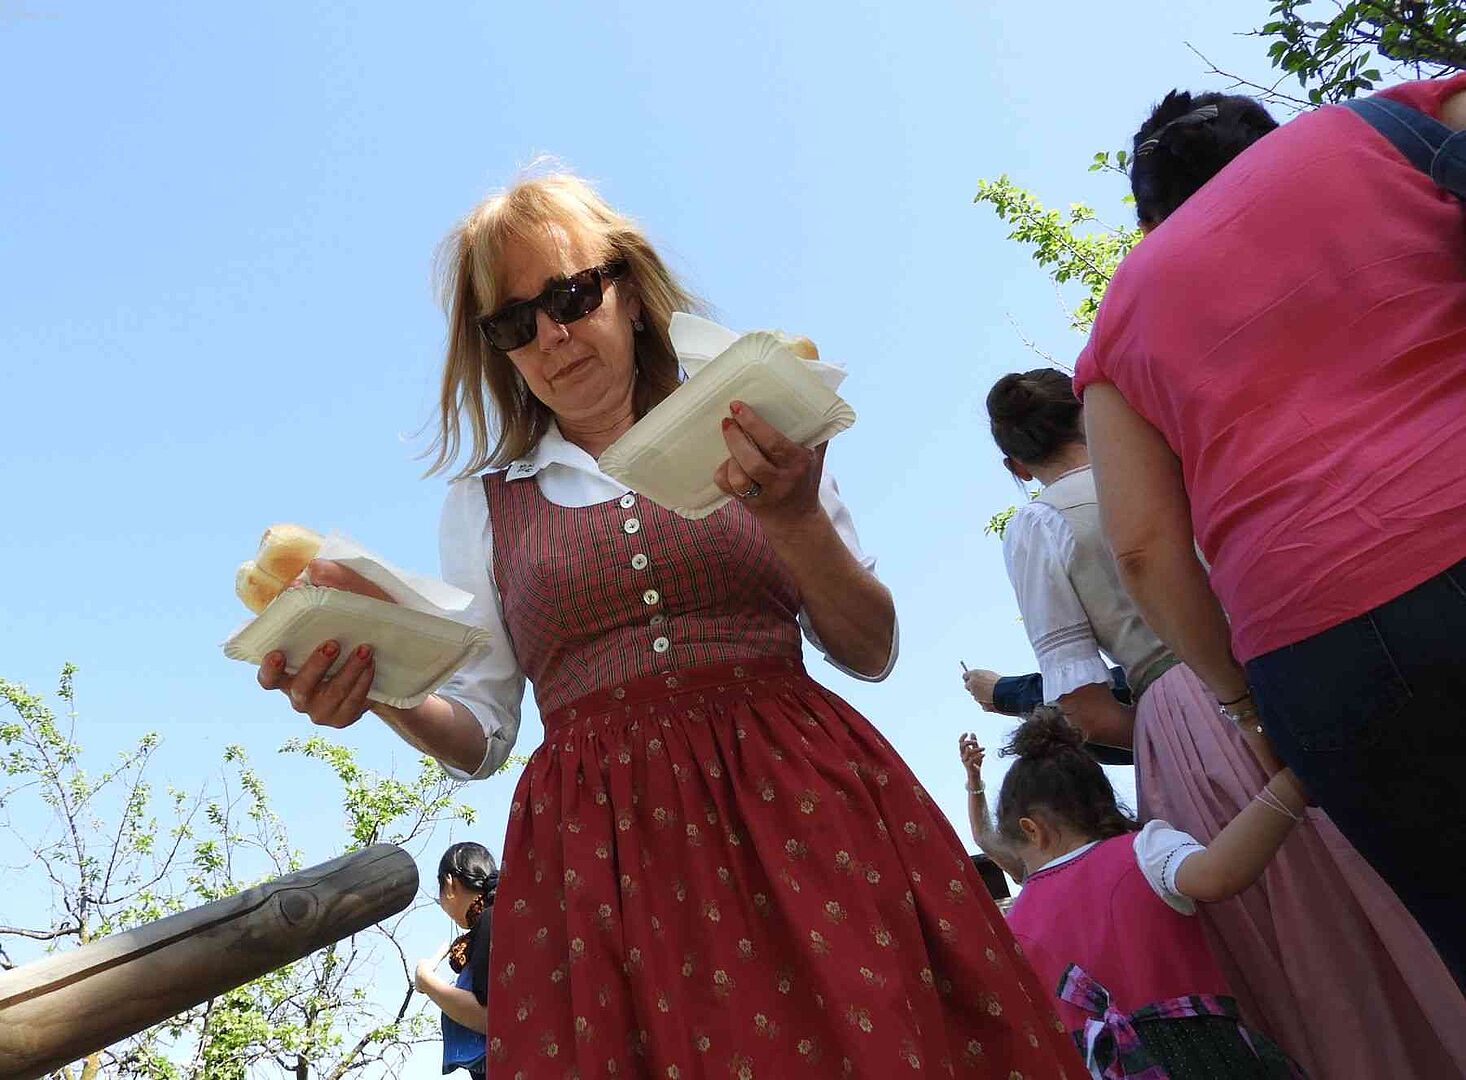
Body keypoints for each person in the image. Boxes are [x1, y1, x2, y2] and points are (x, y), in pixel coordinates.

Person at [258, 172, 1084, 1077]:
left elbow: (869, 648)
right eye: (514, 324)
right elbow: (484, 735)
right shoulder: (483, 504)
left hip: (804, 809)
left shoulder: (751, 418)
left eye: (569, 297)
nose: (551, 336)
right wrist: (383, 687)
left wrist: (795, 517)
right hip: (600, 859)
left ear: (629, 289)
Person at [1074, 76, 1466, 989]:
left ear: (1148, 218)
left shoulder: (1118, 319)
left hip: (1318, 658)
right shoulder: (1377, 125)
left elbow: (1144, 551)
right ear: (1268, 138)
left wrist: (1247, 710)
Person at [981, 367, 1466, 1077]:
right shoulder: (1169, 471)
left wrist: (1165, 728)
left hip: (1185, 714)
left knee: (1294, 932)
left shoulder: (1039, 525)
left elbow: (1082, 706)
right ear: (1088, 418)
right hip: (1293, 664)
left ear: (1016, 465)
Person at [993, 710, 1305, 1079]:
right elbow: (1217, 876)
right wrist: (1294, 783)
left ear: (1033, 830)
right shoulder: (1142, 850)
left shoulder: (1011, 926)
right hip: (1204, 1054)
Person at [415, 842, 497, 1079]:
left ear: (450, 883)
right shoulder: (500, 917)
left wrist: (427, 981)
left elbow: (490, 1017)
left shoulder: (489, 921)